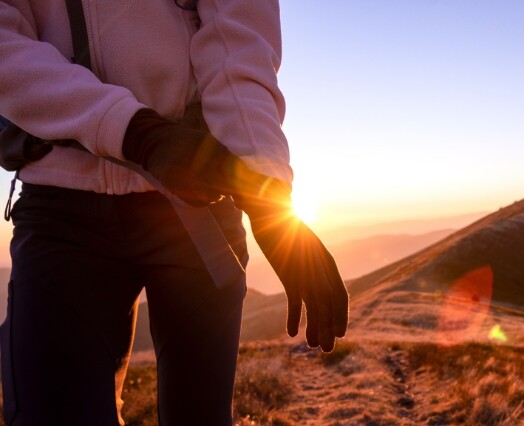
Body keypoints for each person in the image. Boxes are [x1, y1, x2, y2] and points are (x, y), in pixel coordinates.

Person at [0, 0, 349, 424]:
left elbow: (238, 41)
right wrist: (135, 132)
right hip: (63, 203)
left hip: (196, 201)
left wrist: (267, 195)